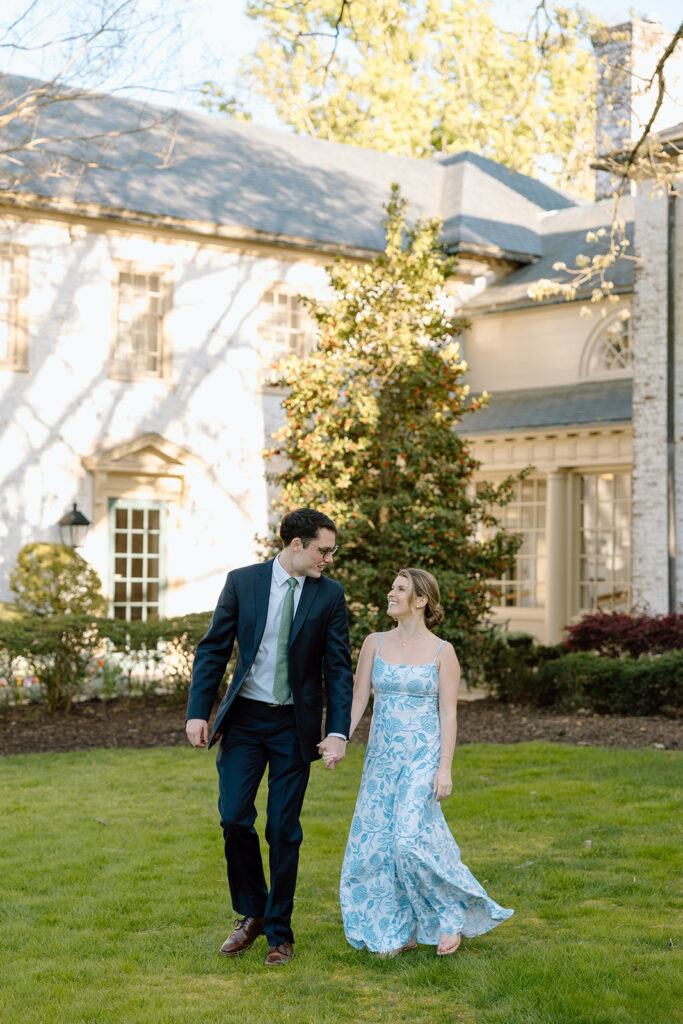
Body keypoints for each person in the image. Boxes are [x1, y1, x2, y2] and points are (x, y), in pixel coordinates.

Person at [186, 508, 353, 967]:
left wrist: (337, 731)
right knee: (234, 817)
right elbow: (214, 648)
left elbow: (338, 668)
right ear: (296, 545)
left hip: (292, 726)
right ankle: (252, 914)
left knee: (282, 829)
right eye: (323, 550)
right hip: (243, 722)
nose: (328, 559)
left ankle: (280, 931)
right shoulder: (244, 582)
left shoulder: (330, 596)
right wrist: (198, 712)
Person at [339, 567, 513, 956]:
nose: (390, 593)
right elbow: (358, 701)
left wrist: (444, 767)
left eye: (399, 589)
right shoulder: (374, 642)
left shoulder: (442, 651)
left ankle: (450, 913)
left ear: (420, 600)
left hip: (423, 757)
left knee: (408, 839)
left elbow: (448, 714)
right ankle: (398, 926)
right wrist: (340, 739)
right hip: (382, 761)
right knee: (378, 845)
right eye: (391, 587)